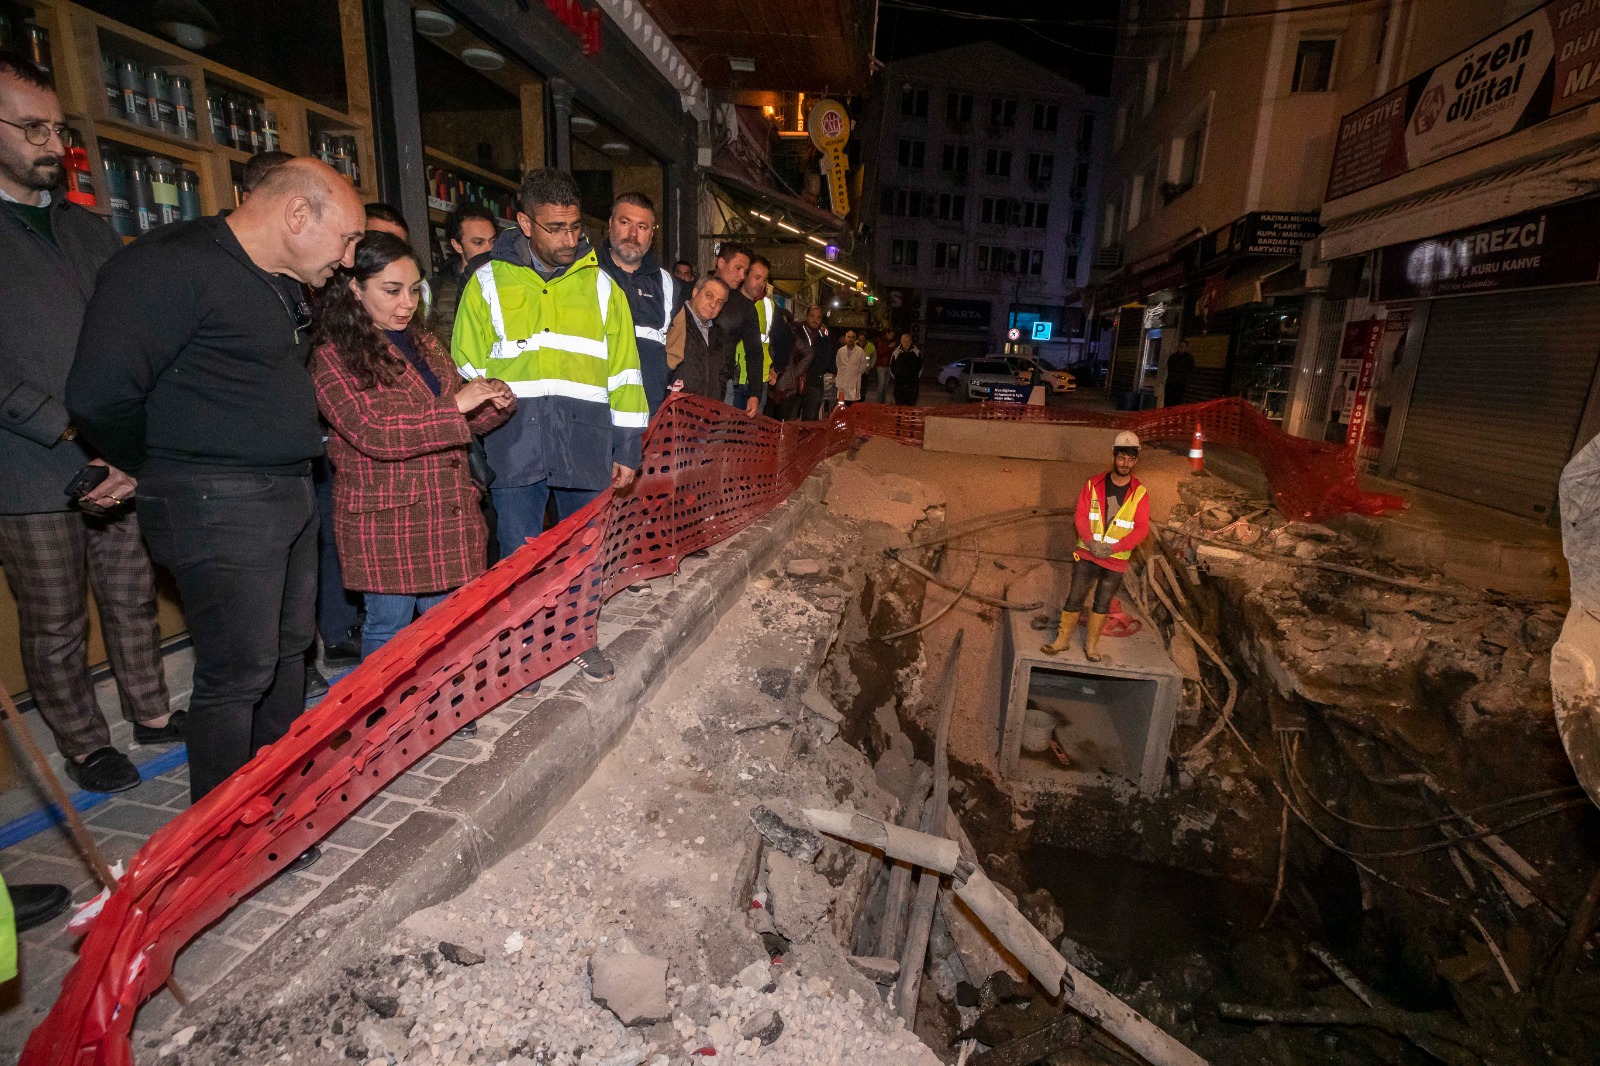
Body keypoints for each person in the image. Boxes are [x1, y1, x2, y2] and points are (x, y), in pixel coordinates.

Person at [67, 158, 366, 818]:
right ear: (296, 215)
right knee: (238, 674)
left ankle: (274, 805)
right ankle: (220, 834)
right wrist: (158, 463)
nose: (348, 260)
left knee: (289, 657)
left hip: (285, 492)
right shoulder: (169, 266)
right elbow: (99, 394)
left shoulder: (278, 281)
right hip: (217, 501)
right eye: (345, 239)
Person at [0, 49, 178, 794]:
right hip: (31, 467)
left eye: (58, 129)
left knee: (133, 595)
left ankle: (154, 715)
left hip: (117, 452)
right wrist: (72, 434)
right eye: (31, 128)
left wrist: (130, 441)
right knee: (56, 620)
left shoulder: (90, 231)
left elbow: (130, 336)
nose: (52, 144)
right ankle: (82, 743)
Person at [451, 168, 647, 683]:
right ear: (523, 222)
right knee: (518, 552)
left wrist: (628, 446)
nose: (568, 239)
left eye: (575, 228)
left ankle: (576, 639)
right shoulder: (487, 282)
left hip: (586, 444)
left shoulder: (603, 289)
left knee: (583, 552)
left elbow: (626, 374)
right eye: (555, 227)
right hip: (512, 445)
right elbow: (465, 367)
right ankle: (523, 645)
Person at [311, 233, 513, 661]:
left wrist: (494, 402)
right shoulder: (333, 356)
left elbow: (457, 414)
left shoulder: (423, 342)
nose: (407, 303)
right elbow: (375, 432)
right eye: (391, 290)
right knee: (389, 630)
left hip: (446, 511)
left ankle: (445, 713)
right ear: (354, 288)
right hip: (390, 524)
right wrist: (458, 403)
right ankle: (387, 722)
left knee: (448, 629)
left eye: (414, 289)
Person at [1042, 432, 1150, 662]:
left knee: (1102, 603)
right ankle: (1062, 640)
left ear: (1136, 460)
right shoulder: (1094, 484)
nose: (1125, 464)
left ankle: (1091, 646)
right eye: (1122, 458)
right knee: (1075, 597)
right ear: (1114, 456)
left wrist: (1114, 547)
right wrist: (1090, 542)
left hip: (1116, 560)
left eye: (1131, 459)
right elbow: (1081, 516)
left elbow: (1141, 529)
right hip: (1087, 554)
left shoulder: (1139, 493)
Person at [597, 192, 678, 416]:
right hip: (594, 412)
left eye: (642, 227)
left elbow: (674, 343)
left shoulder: (667, 283)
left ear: (652, 234)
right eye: (625, 223)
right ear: (611, 224)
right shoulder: (585, 274)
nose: (632, 234)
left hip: (645, 414)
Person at [706, 242, 765, 417]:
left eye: (745, 271)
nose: (741, 276)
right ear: (721, 263)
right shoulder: (694, 290)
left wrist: (755, 393)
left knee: (719, 440)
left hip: (724, 384)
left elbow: (754, 352)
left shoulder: (745, 307)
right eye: (738, 268)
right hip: (689, 382)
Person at [430, 202, 498, 346]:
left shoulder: (510, 281)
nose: (489, 249)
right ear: (457, 245)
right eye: (479, 242)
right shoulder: (436, 289)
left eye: (493, 241)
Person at [664, 275, 729, 398]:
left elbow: (722, 373)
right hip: (676, 408)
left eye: (719, 302)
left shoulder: (717, 333)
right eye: (709, 296)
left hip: (707, 411)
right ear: (695, 292)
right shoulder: (674, 319)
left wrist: (717, 400)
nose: (713, 305)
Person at [732, 254, 776, 416]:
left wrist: (776, 368)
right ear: (745, 275)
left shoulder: (768, 306)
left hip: (758, 380)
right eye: (757, 277)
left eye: (764, 280)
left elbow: (782, 339)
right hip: (733, 379)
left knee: (752, 435)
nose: (761, 284)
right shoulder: (729, 301)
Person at [834, 329, 867, 405]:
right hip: (843, 381)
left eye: (853, 337)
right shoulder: (840, 351)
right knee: (841, 404)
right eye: (849, 337)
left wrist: (854, 372)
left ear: (855, 339)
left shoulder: (860, 351)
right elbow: (838, 364)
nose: (851, 339)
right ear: (845, 338)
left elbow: (863, 366)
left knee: (853, 405)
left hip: (854, 382)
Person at [891, 333, 922, 405]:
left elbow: (920, 368)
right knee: (899, 408)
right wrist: (897, 378)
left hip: (912, 385)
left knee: (911, 408)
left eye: (908, 341)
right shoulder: (896, 353)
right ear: (901, 341)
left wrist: (914, 378)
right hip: (899, 385)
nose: (906, 343)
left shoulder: (916, 352)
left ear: (911, 341)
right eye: (904, 341)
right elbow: (891, 368)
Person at [1164, 340, 1195, 408]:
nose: (1180, 348)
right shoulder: (1173, 357)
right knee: (1168, 403)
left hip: (1180, 385)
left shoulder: (1189, 358)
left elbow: (1189, 371)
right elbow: (1170, 368)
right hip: (1171, 384)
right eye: (1179, 346)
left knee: (1177, 403)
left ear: (1186, 347)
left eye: (1182, 346)